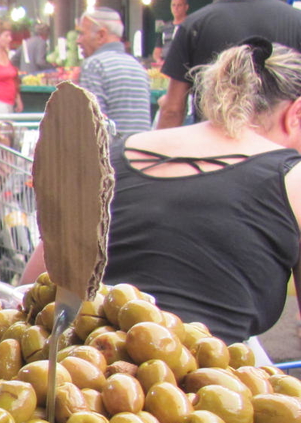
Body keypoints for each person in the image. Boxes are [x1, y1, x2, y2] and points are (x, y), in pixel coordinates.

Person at [22, 39, 301, 345]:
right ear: (296, 114)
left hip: (81, 365)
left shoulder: (117, 153)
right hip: (207, 380)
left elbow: (32, 283)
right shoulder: (292, 176)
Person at [160, 0, 301, 128]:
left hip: (215, 153)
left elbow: (172, 109)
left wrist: (159, 156)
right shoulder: (296, 20)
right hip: (281, 154)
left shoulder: (194, 26)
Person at [76, 7, 152, 138]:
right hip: (139, 154)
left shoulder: (94, 65)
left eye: (82, 33)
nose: (78, 40)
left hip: (111, 156)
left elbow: (94, 127)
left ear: (101, 35)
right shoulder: (137, 66)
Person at [151, 0, 189, 64]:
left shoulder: (190, 25)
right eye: (173, 5)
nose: (176, 8)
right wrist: (159, 60)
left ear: (186, 7)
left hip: (182, 64)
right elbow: (157, 50)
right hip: (164, 64)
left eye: (179, 5)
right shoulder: (165, 28)